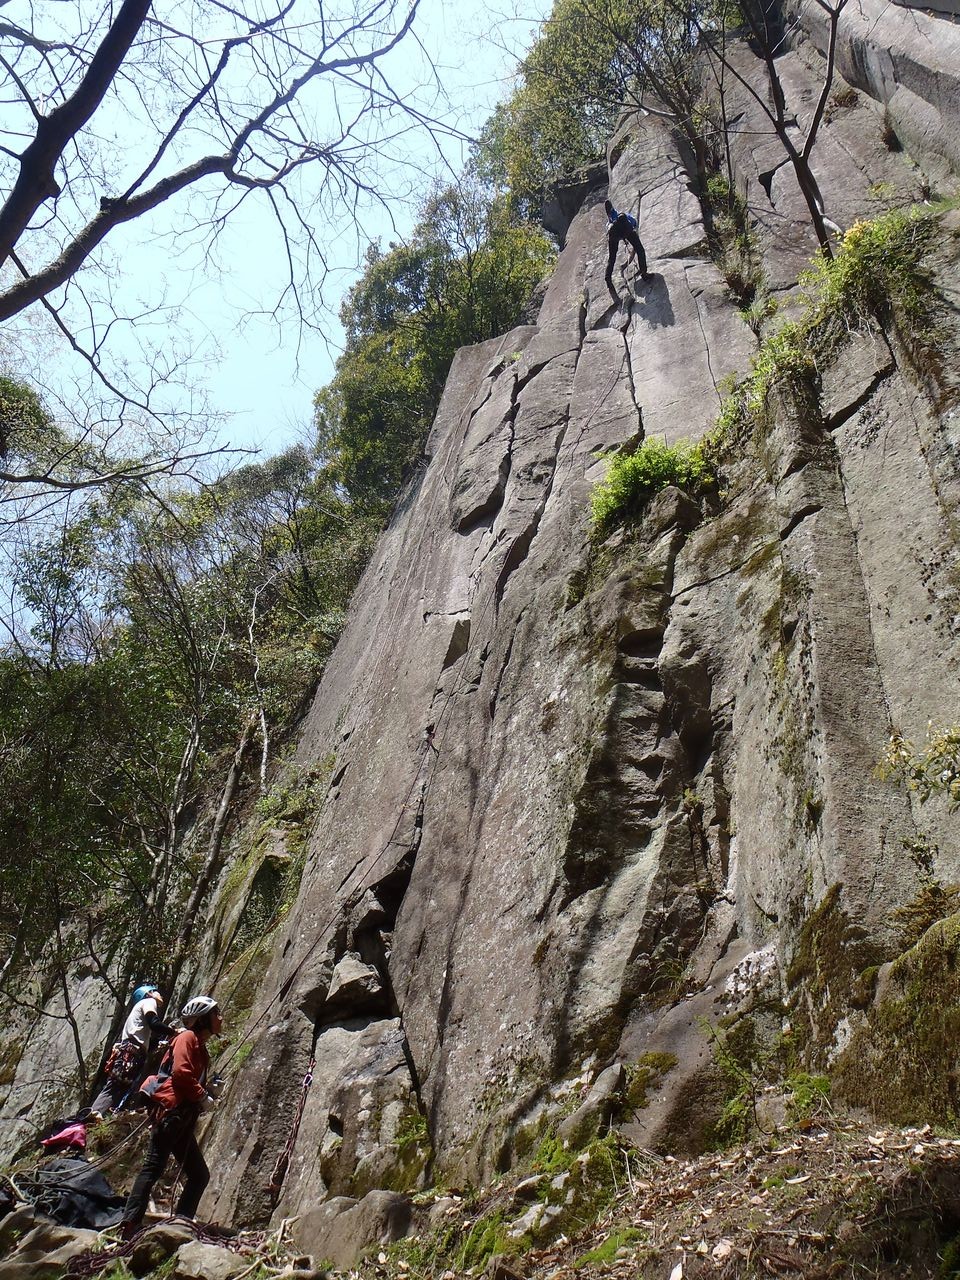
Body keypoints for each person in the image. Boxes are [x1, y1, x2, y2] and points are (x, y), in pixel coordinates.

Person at [119, 995, 223, 1238]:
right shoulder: (186, 1037)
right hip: (171, 1114)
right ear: (203, 1019)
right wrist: (201, 1095)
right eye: (216, 1014)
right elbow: (180, 1074)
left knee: (198, 1175)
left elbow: (188, 1079)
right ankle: (129, 1225)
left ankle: (180, 1225)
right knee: (153, 1168)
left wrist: (208, 1091)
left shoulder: (200, 1047)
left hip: (181, 1119)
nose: (220, 1018)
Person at [90, 984, 174, 1115]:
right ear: (149, 993)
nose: (160, 995)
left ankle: (99, 1116)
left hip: (129, 1051)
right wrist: (173, 1032)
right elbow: (154, 1023)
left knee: (119, 1087)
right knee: (114, 1086)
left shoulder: (136, 1013)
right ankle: (91, 1116)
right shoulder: (148, 1002)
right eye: (157, 992)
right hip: (131, 1053)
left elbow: (144, 1039)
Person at [604, 199, 649, 287]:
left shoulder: (609, 225)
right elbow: (634, 223)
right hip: (628, 231)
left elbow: (610, 233)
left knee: (612, 258)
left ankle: (608, 279)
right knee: (640, 250)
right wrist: (631, 239)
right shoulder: (624, 216)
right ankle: (644, 273)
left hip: (614, 236)